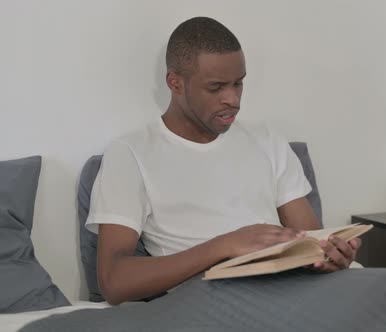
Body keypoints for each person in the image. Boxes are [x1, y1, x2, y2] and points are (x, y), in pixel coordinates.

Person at [86, 16, 362, 305]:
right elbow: (114, 281)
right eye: (216, 88)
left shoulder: (267, 139)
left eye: (238, 84)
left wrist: (331, 256)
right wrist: (224, 246)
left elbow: (312, 239)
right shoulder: (130, 153)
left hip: (295, 289)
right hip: (219, 300)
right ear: (175, 83)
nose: (233, 99)